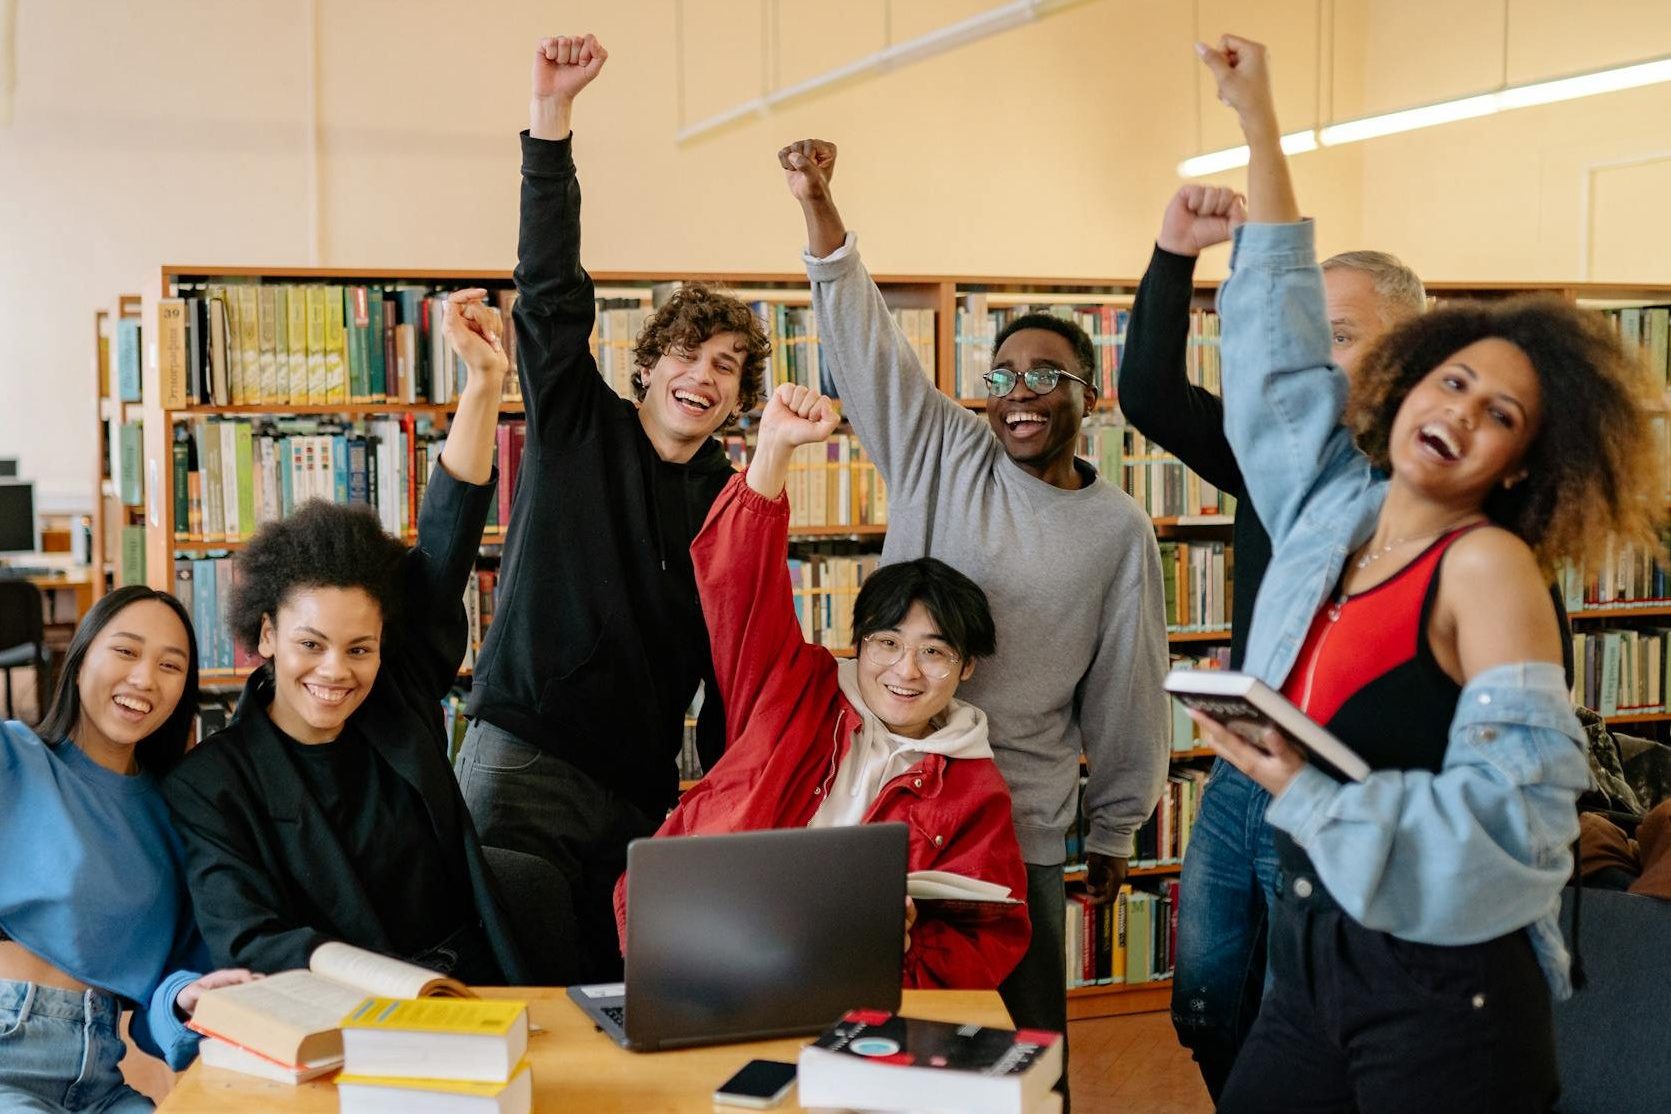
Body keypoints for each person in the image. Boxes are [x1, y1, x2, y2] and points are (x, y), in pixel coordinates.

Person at [1188, 34, 1664, 1111]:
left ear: (1525, 465)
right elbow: (1273, 352)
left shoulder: (1488, 568)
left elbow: (1521, 833)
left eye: (1501, 415)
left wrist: (1301, 790)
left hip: (1444, 992)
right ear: (1403, 385)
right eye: (1451, 381)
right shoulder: (1333, 507)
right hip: (1316, 955)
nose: (1459, 412)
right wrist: (1260, 123)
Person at [780, 137, 1170, 1096]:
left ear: (1091, 396)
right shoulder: (938, 448)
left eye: (1045, 376)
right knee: (868, 1045)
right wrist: (820, 209)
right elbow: (864, 340)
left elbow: (1127, 683)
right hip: (890, 806)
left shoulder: (1117, 531)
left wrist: (1117, 830)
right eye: (1000, 376)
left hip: (1021, 825)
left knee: (1022, 1063)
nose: (1018, 393)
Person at [455, 33, 771, 983]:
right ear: (647, 367)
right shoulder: (577, 425)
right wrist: (550, 121)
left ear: (737, 397)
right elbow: (550, 290)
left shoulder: (730, 499)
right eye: (687, 355)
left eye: (726, 367)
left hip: (640, 793)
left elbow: (736, 659)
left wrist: (719, 796)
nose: (702, 376)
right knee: (502, 990)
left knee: (616, 1001)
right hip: (522, 763)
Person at [1116, 190, 1425, 1094]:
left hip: (1343, 780)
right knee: (1207, 1002)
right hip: (1240, 772)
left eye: (1338, 333)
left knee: (1309, 1014)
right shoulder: (1270, 456)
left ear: (1408, 348)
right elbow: (1149, 395)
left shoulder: (1435, 480)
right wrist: (1174, 254)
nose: (1312, 357)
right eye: (1301, 336)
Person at [164, 292, 530, 987]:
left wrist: (484, 385)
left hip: (479, 987)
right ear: (265, 635)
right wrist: (394, 980)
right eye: (311, 644)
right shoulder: (210, 783)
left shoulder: (398, 699)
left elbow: (446, 544)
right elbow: (246, 935)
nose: (336, 672)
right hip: (337, 1009)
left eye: (359, 648)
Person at [614, 383, 1030, 989]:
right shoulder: (791, 690)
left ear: (967, 667)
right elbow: (741, 583)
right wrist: (775, 448)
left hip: (849, 989)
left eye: (935, 652)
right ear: (859, 643)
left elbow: (988, 935)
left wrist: (901, 956)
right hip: (707, 949)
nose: (906, 672)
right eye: (887, 644)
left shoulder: (974, 785)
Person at [0, 585, 255, 1112]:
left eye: (170, 665)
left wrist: (187, 999)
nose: (143, 678)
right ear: (79, 659)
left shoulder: (177, 819)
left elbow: (159, 1003)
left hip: (99, 1076)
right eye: (126, 651)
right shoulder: (13, 757)